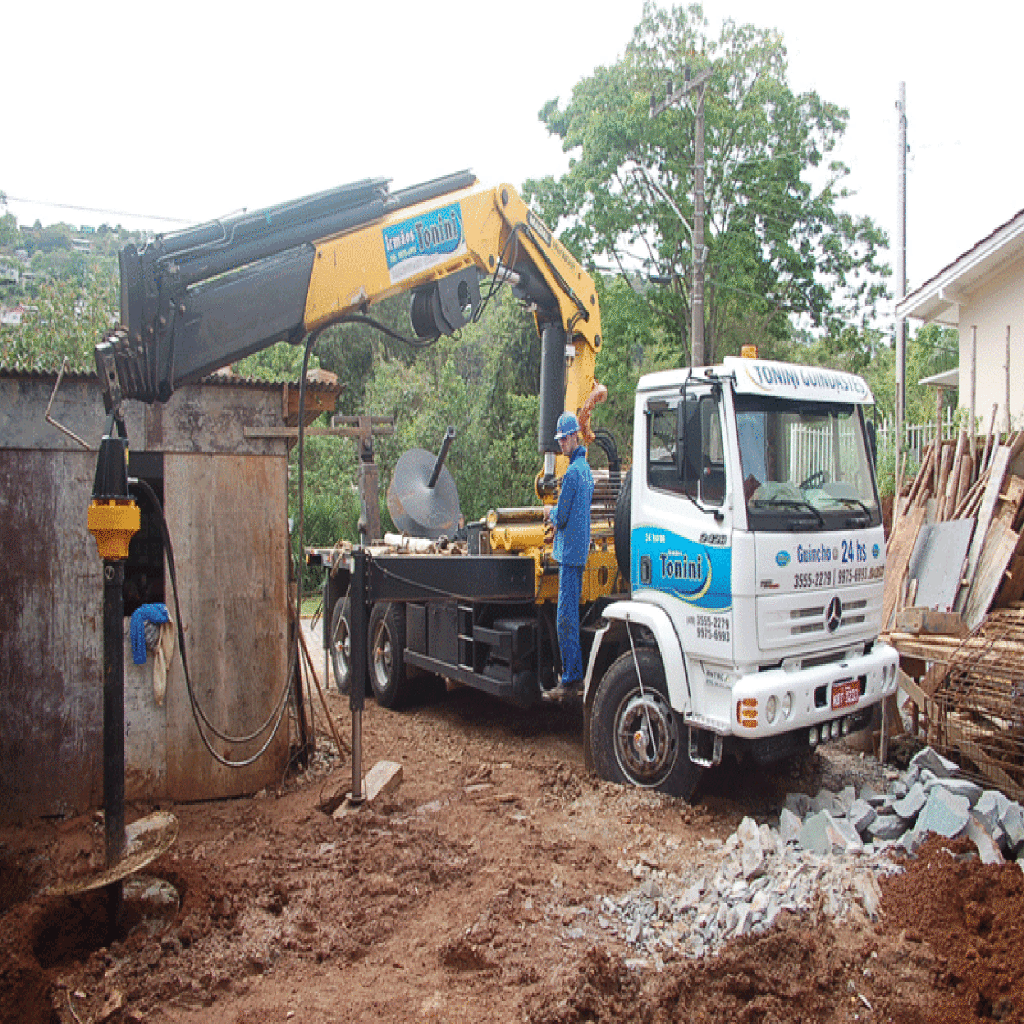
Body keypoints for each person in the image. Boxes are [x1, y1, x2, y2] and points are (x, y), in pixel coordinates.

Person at [543, 412, 594, 700]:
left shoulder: (574, 473)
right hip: (578, 553)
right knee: (569, 616)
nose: (561, 445)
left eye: (563, 439)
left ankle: (572, 677)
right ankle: (573, 674)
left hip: (570, 556)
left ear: (574, 436)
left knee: (565, 618)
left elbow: (561, 517)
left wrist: (549, 512)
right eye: (560, 440)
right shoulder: (585, 470)